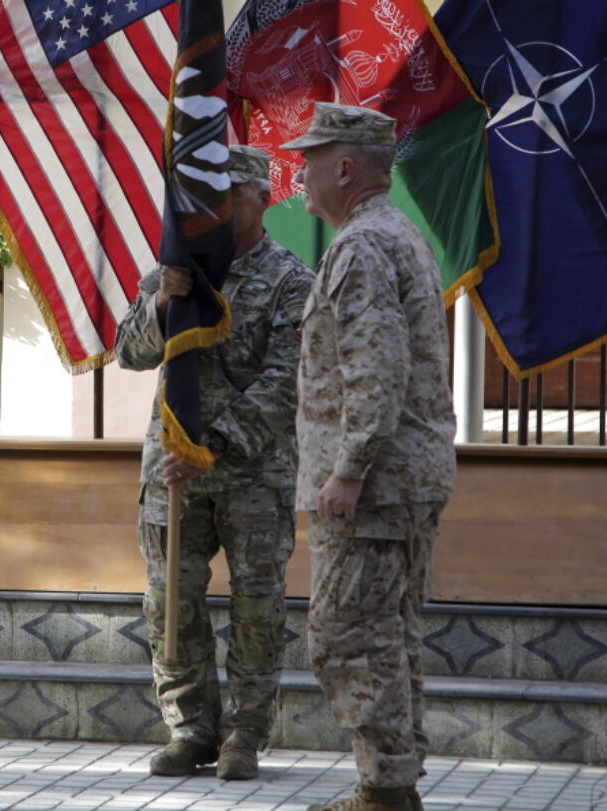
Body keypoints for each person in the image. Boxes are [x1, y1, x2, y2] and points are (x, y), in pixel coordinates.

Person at [115, 145, 314, 781]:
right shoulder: (176, 271)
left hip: (251, 471)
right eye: (208, 198)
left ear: (263, 198)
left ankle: (244, 735)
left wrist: (217, 444)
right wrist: (165, 305)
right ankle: (191, 728)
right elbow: (129, 351)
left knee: (257, 606)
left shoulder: (291, 279)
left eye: (233, 196)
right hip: (173, 470)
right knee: (171, 600)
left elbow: (290, 381)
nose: (219, 210)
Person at [282, 102, 457, 811]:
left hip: (374, 485)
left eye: (310, 159)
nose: (299, 172)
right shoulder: (394, 234)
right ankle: (391, 784)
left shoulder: (361, 246)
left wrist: (348, 469)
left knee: (345, 633)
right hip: (399, 478)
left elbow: (375, 369)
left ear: (345, 168)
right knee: (389, 632)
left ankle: (385, 788)